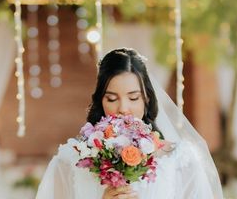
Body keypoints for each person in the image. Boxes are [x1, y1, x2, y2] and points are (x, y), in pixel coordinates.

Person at [36, 48, 223, 199]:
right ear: (100, 100)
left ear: (147, 99)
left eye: (133, 98)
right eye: (111, 98)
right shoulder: (69, 160)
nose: (123, 108)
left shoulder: (180, 159)